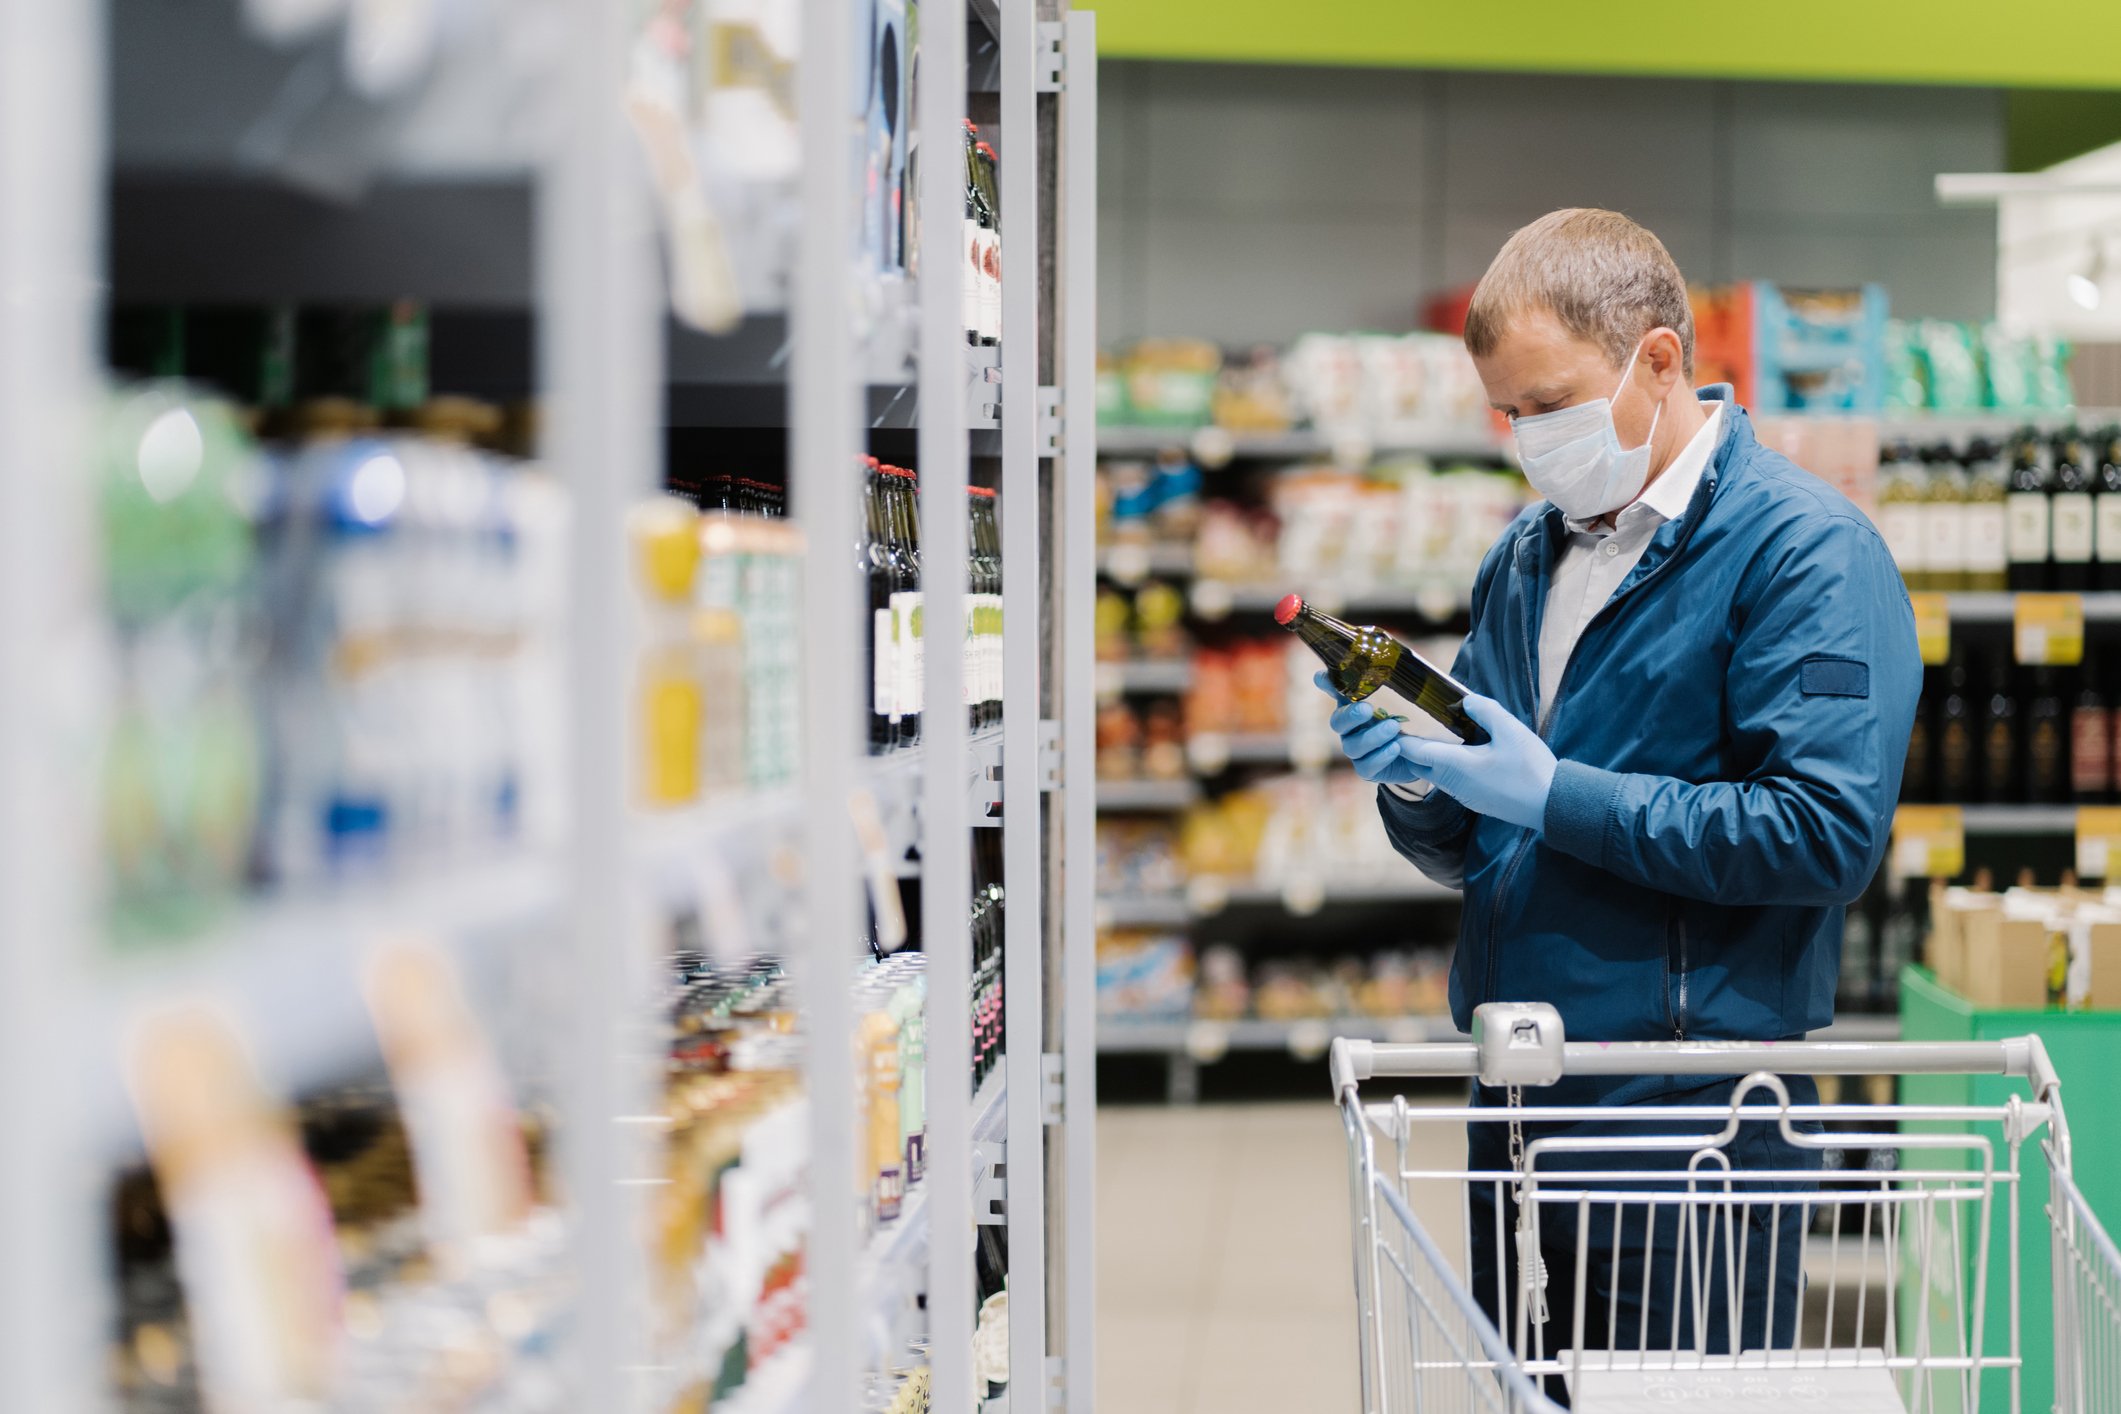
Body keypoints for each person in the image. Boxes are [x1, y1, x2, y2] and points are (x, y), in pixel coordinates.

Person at [1317, 209, 1919, 1388]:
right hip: (1521, 1098)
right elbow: (1482, 843)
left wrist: (1557, 797)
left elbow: (1823, 833)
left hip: (1687, 1119)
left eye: (1551, 403)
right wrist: (1422, 782)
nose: (1529, 439)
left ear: (1657, 359)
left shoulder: (1804, 555)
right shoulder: (1526, 557)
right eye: (1510, 414)